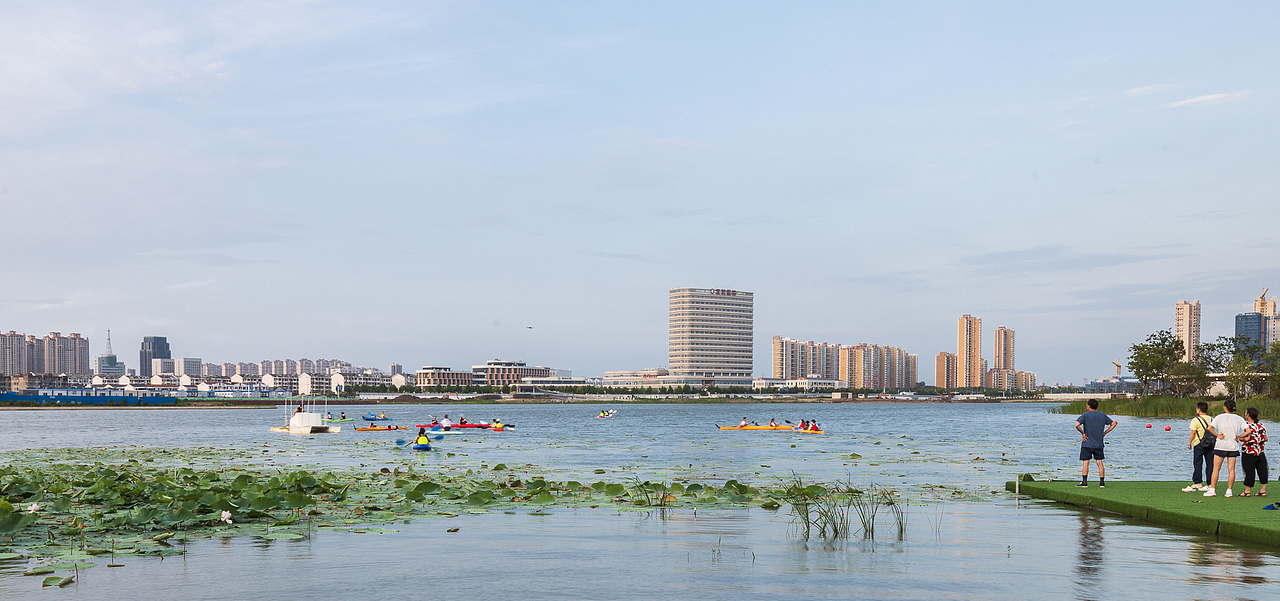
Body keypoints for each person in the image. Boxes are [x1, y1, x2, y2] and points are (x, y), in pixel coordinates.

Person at [1205, 400, 1249, 497]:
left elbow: (1209, 428)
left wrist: (1217, 435)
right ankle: (1229, 491)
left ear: (1225, 407)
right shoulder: (1239, 418)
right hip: (1233, 447)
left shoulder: (1220, 417)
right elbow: (1248, 430)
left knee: (1216, 468)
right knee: (1231, 469)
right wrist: (1239, 437)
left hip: (1221, 446)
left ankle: (1212, 490)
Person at [1075, 399, 1117, 488]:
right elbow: (1113, 424)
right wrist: (1105, 432)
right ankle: (1102, 483)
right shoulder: (1102, 415)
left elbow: (1077, 425)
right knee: (1099, 462)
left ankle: (1084, 482)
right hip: (1099, 443)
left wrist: (1083, 433)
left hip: (1087, 443)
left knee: (1086, 462)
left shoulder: (1085, 415)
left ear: (1089, 406)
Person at [1184, 402, 1218, 492]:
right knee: (1210, 463)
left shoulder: (1195, 420)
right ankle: (1210, 483)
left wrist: (1189, 442)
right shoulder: (1212, 419)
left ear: (1199, 409)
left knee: (1198, 463)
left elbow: (1193, 432)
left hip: (1198, 443)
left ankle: (1198, 482)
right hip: (1210, 443)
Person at [1238, 407, 1268, 497]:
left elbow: (1247, 438)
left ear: (1248, 415)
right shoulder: (1262, 425)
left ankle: (1247, 491)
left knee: (1249, 471)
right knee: (1262, 470)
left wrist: (1240, 438)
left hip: (1249, 452)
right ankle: (1263, 490)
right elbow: (1266, 438)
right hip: (1260, 451)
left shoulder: (1247, 426)